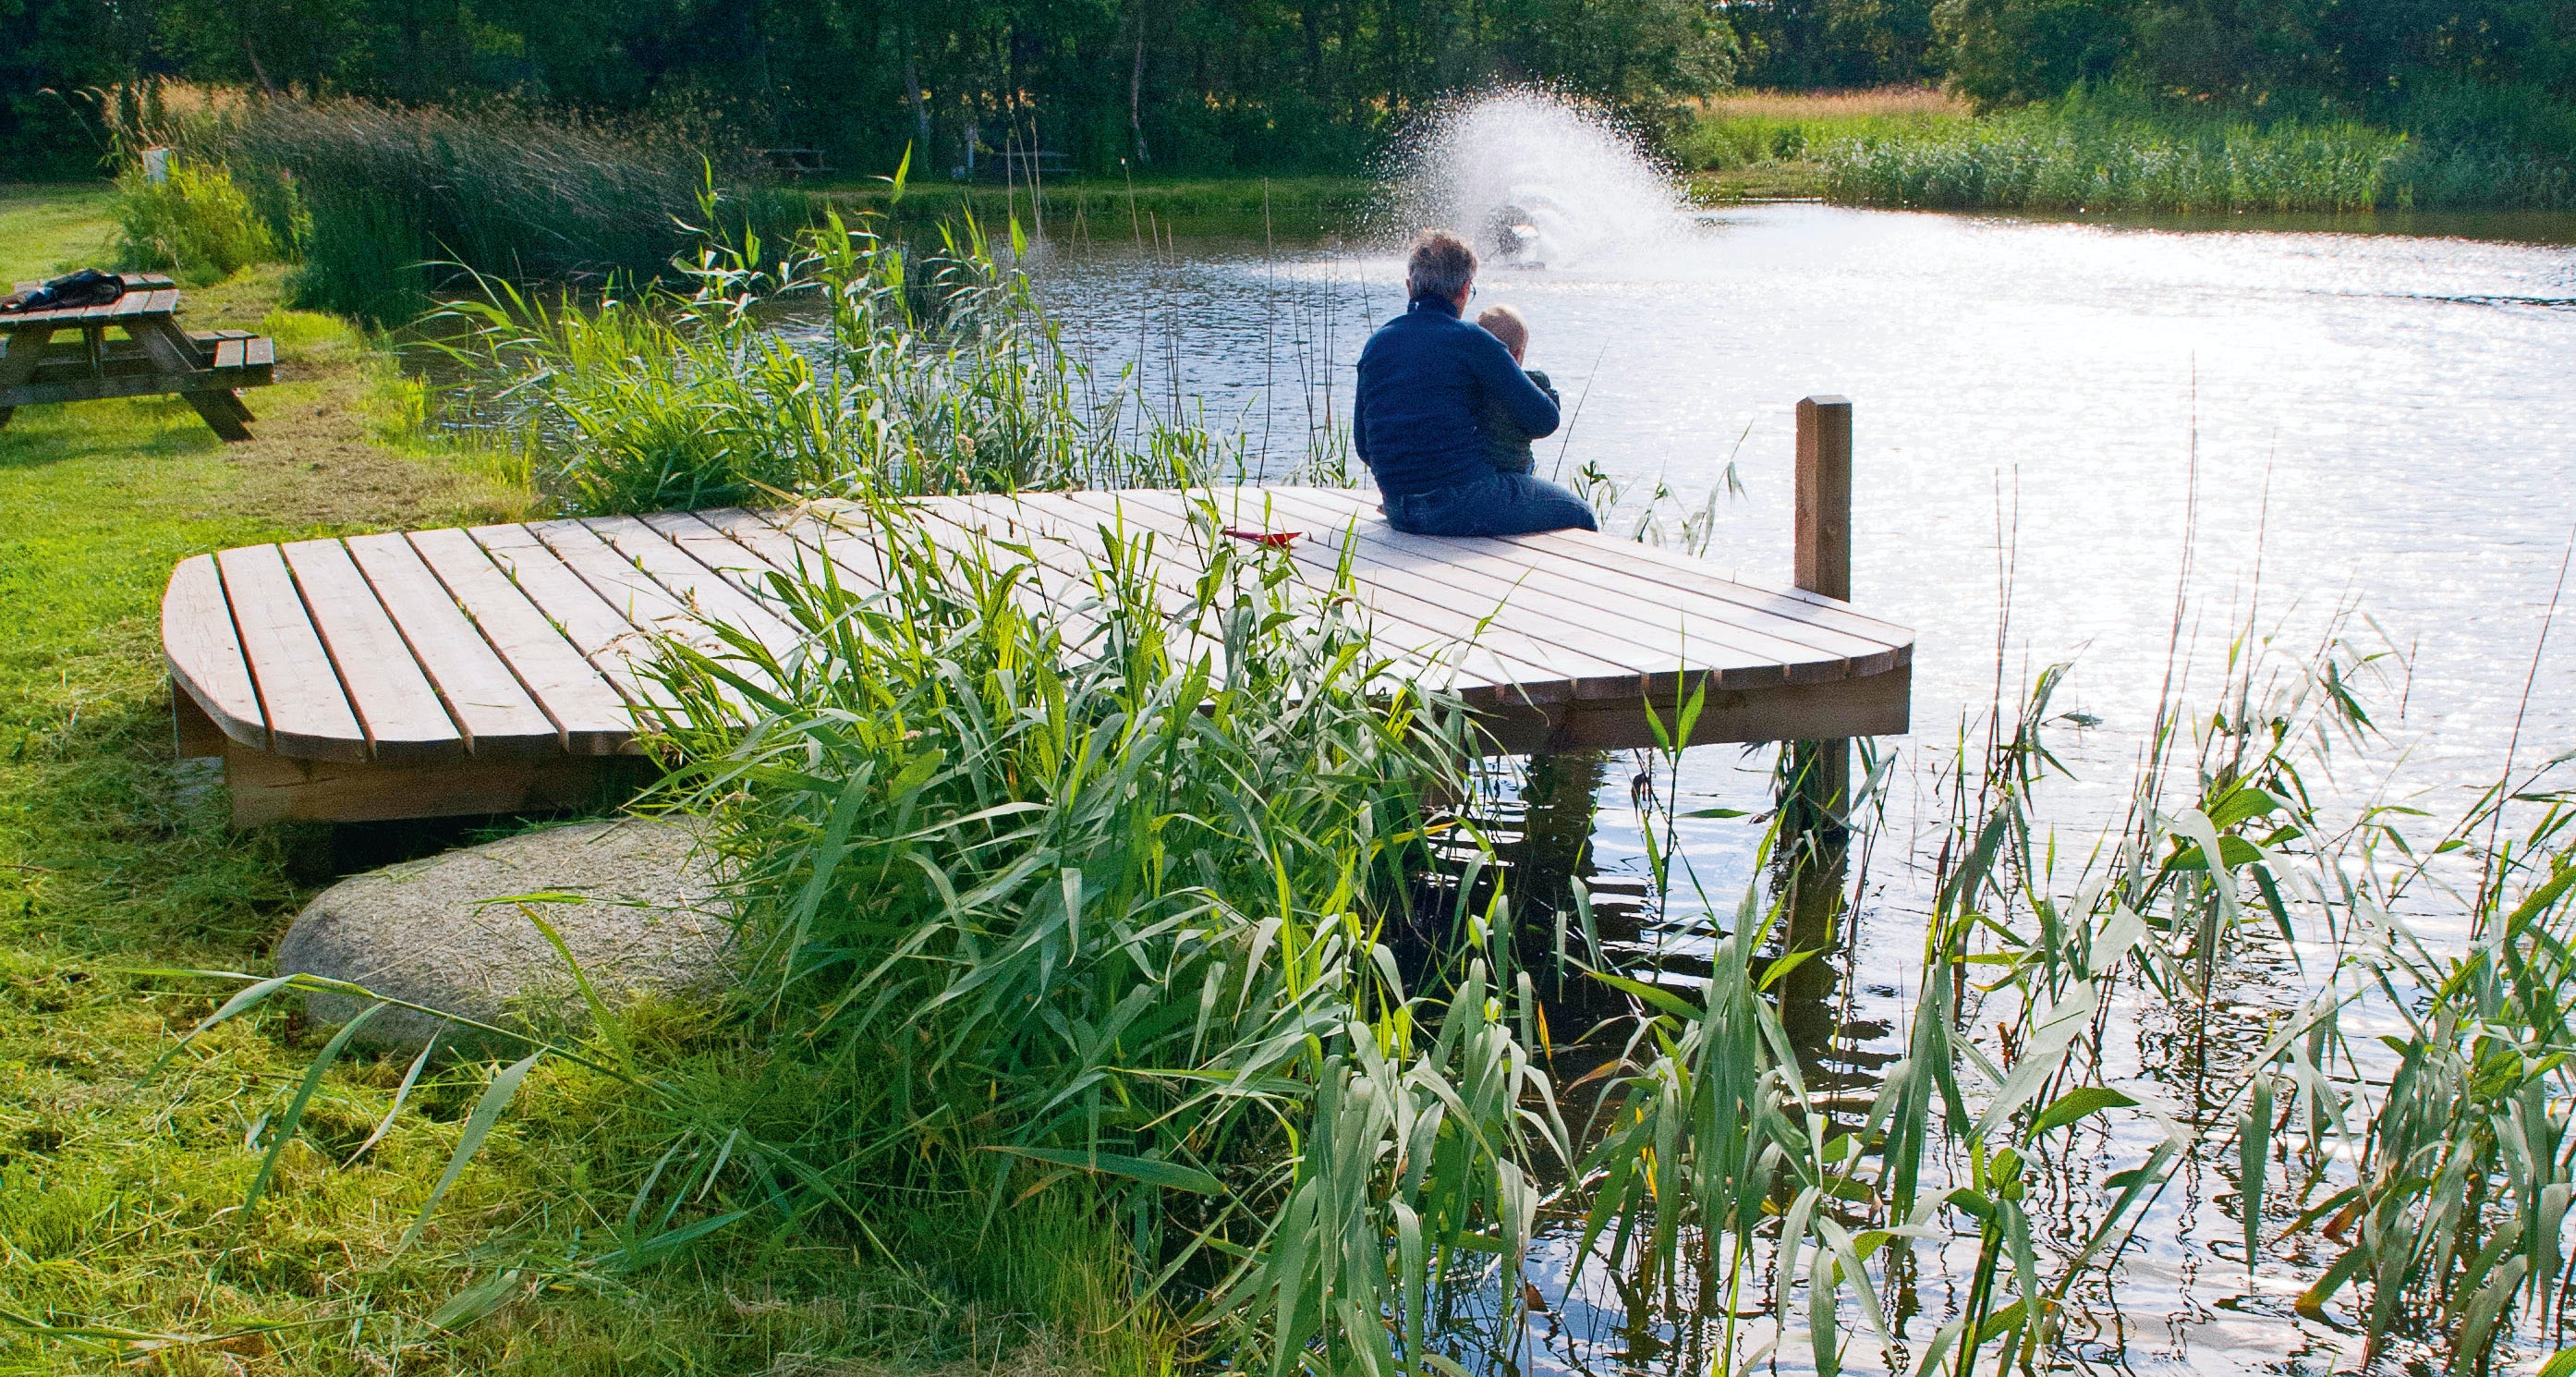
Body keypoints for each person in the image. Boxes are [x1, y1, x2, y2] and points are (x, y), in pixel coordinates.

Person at [1353, 230, 1598, 536]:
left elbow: (1364, 447)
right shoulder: (1473, 341)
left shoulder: (1376, 344)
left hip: (1399, 509)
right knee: (1581, 513)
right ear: (1464, 289)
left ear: (1409, 287)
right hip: (1462, 505)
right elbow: (1544, 419)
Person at [1470, 303, 1557, 476]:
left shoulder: (1469, 385)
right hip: (1516, 468)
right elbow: (1544, 424)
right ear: (1517, 355)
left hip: (1477, 466)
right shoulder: (1531, 386)